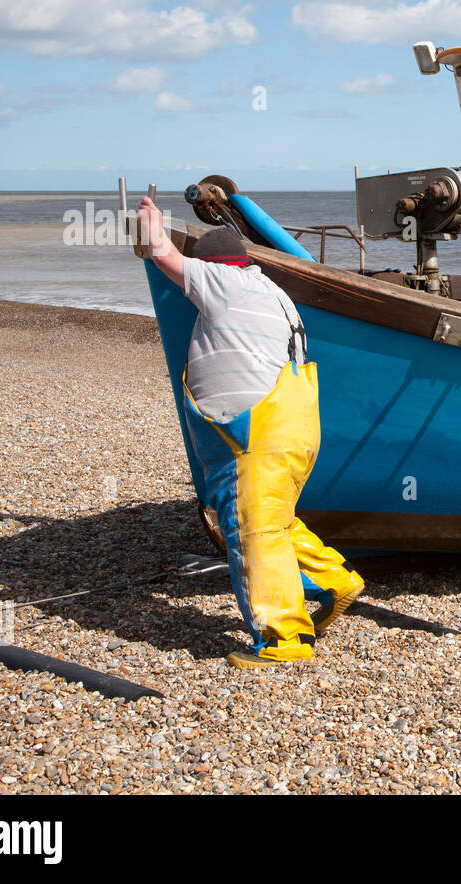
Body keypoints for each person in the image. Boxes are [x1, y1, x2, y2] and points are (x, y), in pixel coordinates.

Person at [136, 197, 364, 669]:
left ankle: (285, 639)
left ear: (213, 266)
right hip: (292, 427)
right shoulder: (272, 293)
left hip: (255, 434)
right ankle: (333, 578)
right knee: (272, 520)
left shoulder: (224, 284)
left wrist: (148, 222)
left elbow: (162, 256)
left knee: (252, 531)